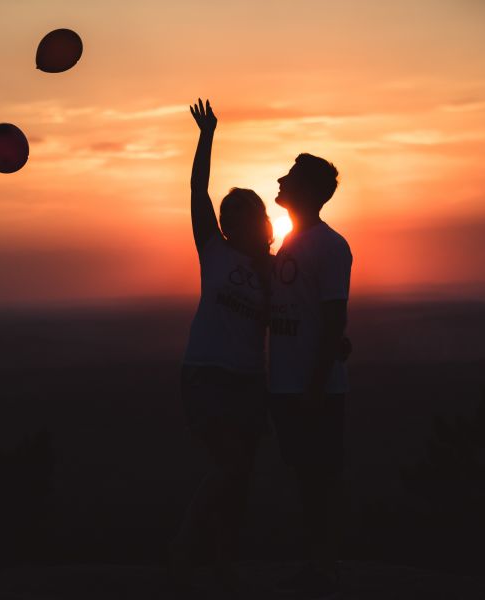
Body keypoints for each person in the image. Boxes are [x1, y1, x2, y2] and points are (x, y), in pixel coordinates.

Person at [169, 99, 273, 595]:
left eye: (242, 213)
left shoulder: (274, 270)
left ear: (260, 220)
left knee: (239, 478)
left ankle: (221, 563)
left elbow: (295, 321)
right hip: (206, 376)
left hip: (250, 384)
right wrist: (207, 135)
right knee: (228, 468)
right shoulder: (213, 250)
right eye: (229, 214)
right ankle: (184, 556)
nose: (232, 220)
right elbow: (197, 191)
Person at [268, 153, 352, 598]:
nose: (279, 179)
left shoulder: (329, 245)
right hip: (287, 385)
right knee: (305, 477)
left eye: (290, 176)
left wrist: (315, 387)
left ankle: (325, 569)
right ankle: (316, 566)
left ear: (309, 191)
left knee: (318, 478)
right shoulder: (291, 243)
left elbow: (333, 316)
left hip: (311, 389)